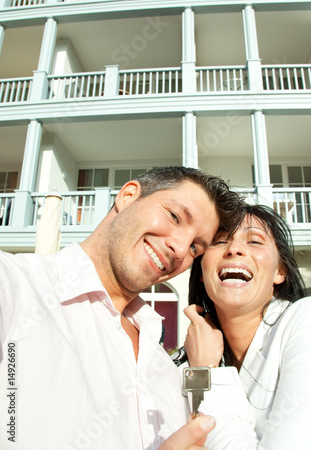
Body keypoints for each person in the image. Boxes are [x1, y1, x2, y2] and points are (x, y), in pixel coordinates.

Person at [0, 166, 242, 450]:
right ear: (127, 196)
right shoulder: (15, 285)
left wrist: (204, 371)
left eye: (194, 248)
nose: (179, 248)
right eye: (174, 216)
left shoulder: (162, 363)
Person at [181, 203, 311, 450]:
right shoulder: (188, 358)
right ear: (200, 271)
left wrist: (206, 371)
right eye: (220, 242)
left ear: (279, 271)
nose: (235, 249)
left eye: (255, 241)